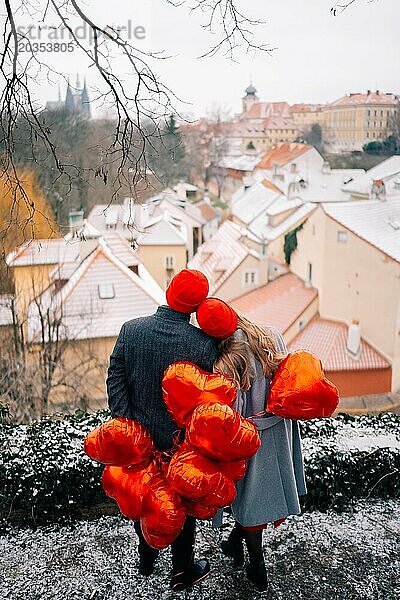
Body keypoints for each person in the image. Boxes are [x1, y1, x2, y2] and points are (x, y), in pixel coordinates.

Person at [106, 269, 219, 592]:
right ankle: (182, 571)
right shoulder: (202, 344)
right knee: (181, 507)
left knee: (141, 498)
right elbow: (206, 398)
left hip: (137, 438)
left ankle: (146, 558)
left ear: (169, 292)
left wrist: (127, 424)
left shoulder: (131, 331)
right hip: (181, 444)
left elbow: (115, 378)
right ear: (198, 306)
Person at [196, 298, 307, 592]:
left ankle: (257, 565)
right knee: (255, 500)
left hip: (250, 437)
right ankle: (235, 544)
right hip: (280, 429)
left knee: (249, 505)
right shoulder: (269, 333)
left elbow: (232, 410)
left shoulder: (226, 360)